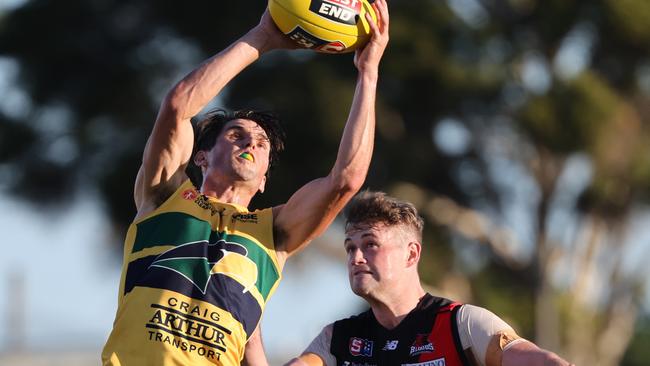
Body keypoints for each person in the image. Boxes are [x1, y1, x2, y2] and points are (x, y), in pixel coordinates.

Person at [101, 1, 390, 365]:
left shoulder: (274, 233)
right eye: (236, 134)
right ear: (201, 158)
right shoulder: (164, 195)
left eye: (262, 142)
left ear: (265, 179)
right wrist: (263, 37)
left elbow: (346, 178)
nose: (251, 142)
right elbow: (177, 106)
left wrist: (368, 72)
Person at [286, 191, 574, 366]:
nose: (356, 257)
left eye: (370, 245)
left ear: (411, 255)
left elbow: (531, 358)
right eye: (350, 247)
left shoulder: (461, 324)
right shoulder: (338, 338)